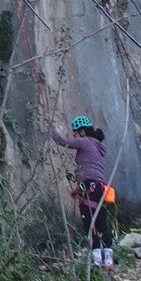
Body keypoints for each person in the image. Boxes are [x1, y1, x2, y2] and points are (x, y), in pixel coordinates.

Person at [52, 114, 116, 268]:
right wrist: (78, 190)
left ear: (82, 132)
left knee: (89, 224)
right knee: (102, 222)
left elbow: (63, 141)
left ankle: (96, 261)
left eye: (75, 133)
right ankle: (108, 260)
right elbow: (92, 171)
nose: (75, 136)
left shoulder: (85, 142)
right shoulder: (100, 147)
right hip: (99, 188)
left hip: (89, 187)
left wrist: (51, 128)